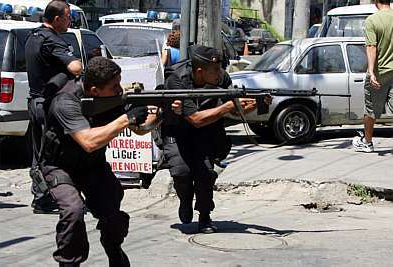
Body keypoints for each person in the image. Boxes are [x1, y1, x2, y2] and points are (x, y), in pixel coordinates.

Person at [38, 56, 158, 266]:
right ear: (94, 90)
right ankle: (69, 263)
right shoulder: (65, 102)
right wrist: (125, 119)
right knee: (73, 211)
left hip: (92, 165)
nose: (120, 90)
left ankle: (113, 249)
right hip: (60, 166)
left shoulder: (108, 99)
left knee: (112, 211)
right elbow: (88, 141)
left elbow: (140, 130)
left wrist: (160, 112)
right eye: (114, 86)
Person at [161, 45, 258, 234]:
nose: (220, 73)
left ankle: (204, 216)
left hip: (206, 132)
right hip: (177, 131)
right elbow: (196, 119)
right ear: (199, 71)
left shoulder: (221, 79)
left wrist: (254, 105)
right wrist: (227, 107)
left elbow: (236, 109)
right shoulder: (177, 79)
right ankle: (185, 200)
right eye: (215, 70)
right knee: (181, 173)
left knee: (205, 175)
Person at [25, 0, 82, 213]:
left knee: (39, 153)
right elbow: (76, 67)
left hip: (35, 102)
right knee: (52, 153)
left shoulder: (33, 36)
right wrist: (75, 62)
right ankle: (46, 198)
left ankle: (40, 196)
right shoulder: (51, 40)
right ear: (57, 19)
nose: (70, 21)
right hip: (49, 106)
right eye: (68, 17)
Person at [352, 0, 393, 152]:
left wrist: (370, 71)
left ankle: (367, 143)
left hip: (380, 73)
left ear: (376, 1)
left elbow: (371, 46)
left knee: (370, 110)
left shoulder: (372, 20)